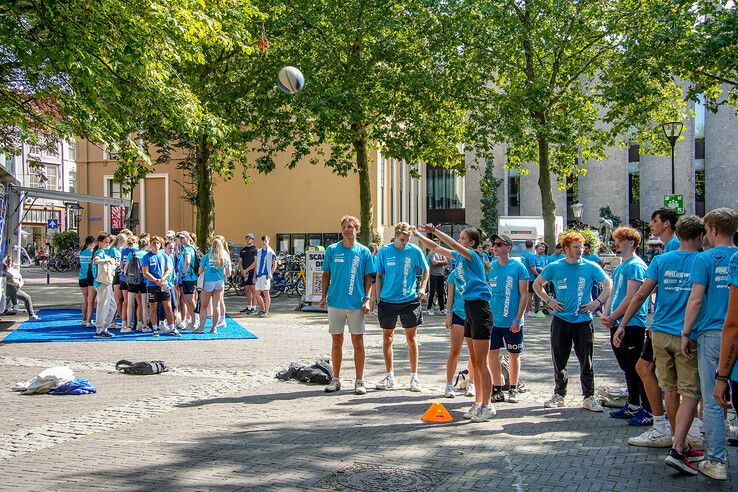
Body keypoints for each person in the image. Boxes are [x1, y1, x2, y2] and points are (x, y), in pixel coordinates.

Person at [616, 215, 705, 475]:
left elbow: (642, 294)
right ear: (700, 236)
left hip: (660, 334)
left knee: (670, 389)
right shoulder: (702, 261)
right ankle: (680, 444)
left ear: (677, 232)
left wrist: (622, 323)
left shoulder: (661, 260)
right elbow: (700, 298)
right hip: (685, 334)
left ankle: (677, 438)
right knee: (690, 391)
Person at [680, 208, 738, 481]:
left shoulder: (704, 259)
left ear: (712, 230)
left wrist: (686, 333)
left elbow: (696, 299)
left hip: (714, 335)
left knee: (714, 399)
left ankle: (716, 460)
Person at [417, 225, 496, 422]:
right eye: (459, 238)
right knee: (474, 361)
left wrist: (434, 231)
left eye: (463, 238)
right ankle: (478, 402)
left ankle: (488, 405)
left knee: (481, 361)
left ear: (471, 243)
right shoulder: (459, 258)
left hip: (480, 309)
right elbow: (435, 248)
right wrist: (417, 234)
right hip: (469, 308)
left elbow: (449, 243)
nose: (459, 240)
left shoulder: (473, 256)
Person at [533, 231, 613, 412]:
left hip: (583, 321)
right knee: (559, 359)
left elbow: (608, 284)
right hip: (561, 320)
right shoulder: (554, 266)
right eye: (576, 247)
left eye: (582, 247)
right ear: (566, 248)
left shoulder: (590, 266)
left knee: (587, 360)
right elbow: (537, 285)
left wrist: (597, 302)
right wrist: (549, 301)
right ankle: (559, 395)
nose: (580, 250)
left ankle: (588, 397)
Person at [320, 215, 376, 394]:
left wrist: (367, 299)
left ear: (357, 230)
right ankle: (335, 379)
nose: (346, 230)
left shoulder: (364, 252)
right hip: (335, 302)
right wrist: (323, 296)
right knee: (336, 342)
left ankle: (359, 380)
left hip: (356, 304)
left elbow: (369, 278)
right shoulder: (332, 249)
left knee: (358, 342)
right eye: (344, 226)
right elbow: (325, 275)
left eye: (350, 227)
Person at [603, 227, 651, 425]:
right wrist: (607, 314)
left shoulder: (636, 266)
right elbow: (615, 293)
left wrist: (613, 317)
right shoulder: (622, 265)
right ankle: (633, 405)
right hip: (619, 322)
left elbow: (632, 296)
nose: (616, 244)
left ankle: (648, 409)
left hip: (632, 324)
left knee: (638, 368)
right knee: (627, 367)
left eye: (620, 240)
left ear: (631, 242)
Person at [374, 222, 429, 392]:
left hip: (409, 300)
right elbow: (378, 274)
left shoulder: (414, 251)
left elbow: (426, 269)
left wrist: (422, 287)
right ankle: (390, 375)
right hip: (388, 300)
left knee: (411, 339)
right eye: (401, 239)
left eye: (406, 240)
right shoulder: (384, 251)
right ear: (396, 236)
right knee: (387, 338)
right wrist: (378, 298)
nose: (404, 242)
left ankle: (414, 377)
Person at [486, 234, 528, 403]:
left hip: (513, 321)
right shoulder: (490, 267)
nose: (495, 246)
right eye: (493, 244)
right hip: (493, 321)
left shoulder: (518, 267)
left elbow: (524, 295)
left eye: (499, 244)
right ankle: (497, 389)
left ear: (508, 247)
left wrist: (518, 319)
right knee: (492, 354)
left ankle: (513, 388)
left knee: (513, 355)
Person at [443, 260, 475, 398]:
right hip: (458, 314)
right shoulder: (453, 274)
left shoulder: (476, 273)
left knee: (473, 353)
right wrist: (448, 314)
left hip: (473, 315)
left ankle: (471, 382)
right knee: (454, 350)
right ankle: (449, 384)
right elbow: (450, 296)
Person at [142, 236, 179, 337]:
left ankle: (172, 328)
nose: (155, 245)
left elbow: (168, 269)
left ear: (160, 244)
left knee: (168, 306)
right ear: (150, 244)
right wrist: (155, 280)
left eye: (157, 243)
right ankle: (155, 328)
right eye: (153, 243)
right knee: (153, 307)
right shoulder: (146, 257)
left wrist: (162, 280)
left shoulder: (164, 256)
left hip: (163, 284)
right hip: (152, 285)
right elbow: (145, 272)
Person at [196, 237, 232, 334]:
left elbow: (200, 271)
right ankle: (214, 328)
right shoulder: (224, 257)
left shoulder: (207, 256)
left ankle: (201, 328)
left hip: (208, 282)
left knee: (204, 306)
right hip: (219, 283)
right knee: (216, 306)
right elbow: (229, 274)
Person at [91, 233, 117, 338]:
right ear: (100, 242)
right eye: (105, 242)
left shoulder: (103, 252)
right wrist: (108, 260)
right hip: (102, 282)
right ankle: (99, 329)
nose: (107, 244)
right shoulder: (100, 252)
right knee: (103, 305)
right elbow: (95, 260)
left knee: (112, 306)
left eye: (108, 242)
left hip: (106, 282)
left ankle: (104, 328)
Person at [247, 235, 277, 317]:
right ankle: (262, 309)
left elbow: (274, 265)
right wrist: (254, 275)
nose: (264, 243)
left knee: (266, 293)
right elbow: (256, 263)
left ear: (268, 241)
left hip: (265, 275)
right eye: (263, 241)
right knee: (256, 294)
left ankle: (266, 311)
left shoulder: (271, 252)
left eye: (265, 241)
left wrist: (270, 274)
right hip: (258, 275)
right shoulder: (259, 251)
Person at [3, 256, 40, 320]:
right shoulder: (3, 271)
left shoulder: (15, 270)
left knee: (27, 298)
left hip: (16, 289)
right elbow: (3, 281)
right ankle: (15, 304)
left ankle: (31, 315)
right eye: (7, 262)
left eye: (10, 261)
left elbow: (21, 280)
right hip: (6, 289)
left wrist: (20, 285)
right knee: (12, 287)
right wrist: (13, 284)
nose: (9, 263)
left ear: (12, 262)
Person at [177, 232, 198, 329]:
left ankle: (195, 321)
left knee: (189, 299)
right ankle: (193, 320)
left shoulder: (187, 249)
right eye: (179, 238)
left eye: (182, 237)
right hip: (188, 278)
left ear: (188, 238)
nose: (180, 239)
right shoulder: (187, 248)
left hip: (189, 278)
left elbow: (188, 261)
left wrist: (184, 273)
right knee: (187, 299)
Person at [426, 240, 448, 316]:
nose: (437, 245)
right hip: (433, 275)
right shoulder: (431, 253)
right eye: (436, 243)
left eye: (438, 243)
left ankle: (442, 309)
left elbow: (446, 261)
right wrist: (441, 262)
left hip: (441, 275)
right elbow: (434, 263)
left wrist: (438, 262)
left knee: (441, 293)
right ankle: (428, 309)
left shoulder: (441, 252)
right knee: (431, 292)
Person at [78, 235, 96, 327]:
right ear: (90, 243)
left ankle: (83, 319)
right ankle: (89, 320)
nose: (95, 244)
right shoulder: (93, 252)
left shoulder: (82, 252)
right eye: (94, 243)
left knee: (85, 299)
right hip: (90, 277)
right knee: (91, 300)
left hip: (81, 277)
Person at [239, 233, 258, 315]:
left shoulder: (255, 249)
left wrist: (247, 269)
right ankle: (249, 307)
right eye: (247, 238)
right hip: (244, 273)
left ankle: (254, 307)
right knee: (247, 290)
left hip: (252, 272)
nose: (248, 239)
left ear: (253, 240)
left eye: (250, 238)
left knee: (253, 290)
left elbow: (255, 262)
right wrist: (242, 271)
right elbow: (240, 262)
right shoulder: (243, 250)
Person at [520, 240, 538, 317]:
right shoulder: (531, 255)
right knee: (529, 296)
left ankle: (526, 310)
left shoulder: (523, 254)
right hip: (530, 277)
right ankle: (528, 310)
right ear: (533, 246)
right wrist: (538, 275)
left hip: (525, 276)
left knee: (526, 295)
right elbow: (532, 268)